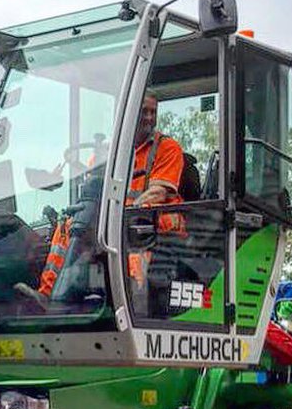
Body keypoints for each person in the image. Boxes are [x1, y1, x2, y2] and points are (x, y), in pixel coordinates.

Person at [19, 92, 184, 305]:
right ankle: (48, 293)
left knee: (133, 227)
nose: (150, 118)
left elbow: (159, 192)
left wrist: (118, 215)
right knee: (68, 224)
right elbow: (92, 192)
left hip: (157, 215)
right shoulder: (104, 154)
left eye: (153, 112)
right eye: (144, 112)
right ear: (127, 113)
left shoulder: (167, 148)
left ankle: (132, 298)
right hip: (117, 215)